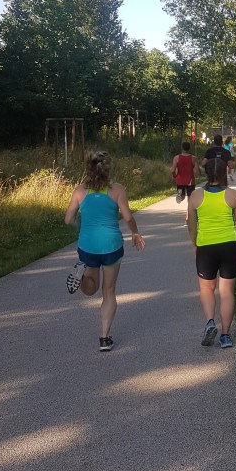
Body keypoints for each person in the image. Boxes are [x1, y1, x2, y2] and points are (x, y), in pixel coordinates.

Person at [64, 150, 145, 352]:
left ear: (88, 168)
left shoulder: (79, 191)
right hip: (111, 245)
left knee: (90, 288)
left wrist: (81, 225)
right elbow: (127, 217)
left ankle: (80, 277)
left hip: (88, 245)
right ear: (108, 169)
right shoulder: (117, 189)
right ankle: (104, 338)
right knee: (108, 291)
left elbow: (68, 219)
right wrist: (135, 233)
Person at [188, 157, 236, 349]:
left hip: (206, 246)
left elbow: (191, 225)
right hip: (230, 246)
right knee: (226, 291)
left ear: (206, 173)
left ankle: (210, 323)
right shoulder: (233, 195)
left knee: (207, 289)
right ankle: (225, 336)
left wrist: (195, 244)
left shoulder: (195, 196)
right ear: (225, 173)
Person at [171, 141, 201, 223]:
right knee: (190, 201)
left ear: (182, 148)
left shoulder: (176, 158)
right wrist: (198, 173)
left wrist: (174, 176)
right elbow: (197, 170)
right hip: (190, 181)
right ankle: (187, 219)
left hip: (180, 181)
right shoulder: (193, 158)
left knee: (182, 197)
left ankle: (179, 195)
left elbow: (173, 170)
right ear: (189, 148)